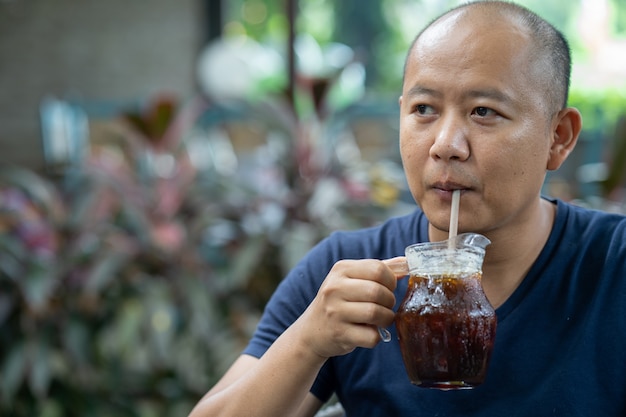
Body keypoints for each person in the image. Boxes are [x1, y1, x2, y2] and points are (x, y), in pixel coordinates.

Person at [188, 1, 626, 416]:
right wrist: (307, 343)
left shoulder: (613, 265)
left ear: (559, 137)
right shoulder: (346, 273)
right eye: (423, 109)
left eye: (483, 111)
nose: (445, 145)